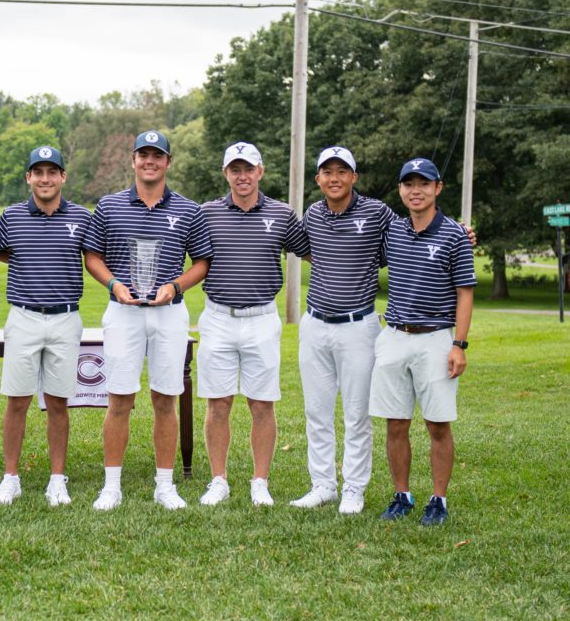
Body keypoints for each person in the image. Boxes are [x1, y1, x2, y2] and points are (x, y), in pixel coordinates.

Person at [290, 146, 475, 515]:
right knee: (318, 410)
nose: (335, 178)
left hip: (362, 326)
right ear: (318, 179)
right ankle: (323, 484)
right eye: (328, 172)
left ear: (354, 177)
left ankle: (354, 490)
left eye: (343, 171)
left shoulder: (379, 214)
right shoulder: (312, 214)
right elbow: (308, 249)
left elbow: (426, 222)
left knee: (358, 413)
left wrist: (463, 234)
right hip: (319, 324)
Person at [83, 130, 212, 511]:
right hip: (123, 312)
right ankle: (112, 486)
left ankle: (165, 486)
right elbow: (93, 256)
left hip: (169, 313)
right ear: (133, 160)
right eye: (143, 155)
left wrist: (175, 285)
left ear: (168, 162)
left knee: (165, 398)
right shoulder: (109, 206)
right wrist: (113, 284)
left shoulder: (189, 210)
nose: (150, 161)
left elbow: (202, 262)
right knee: (119, 398)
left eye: (157, 155)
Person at [196, 142, 310, 507]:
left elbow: (317, 247)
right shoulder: (207, 213)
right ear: (225, 173)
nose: (241, 176)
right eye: (234, 169)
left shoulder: (281, 214)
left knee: (262, 404)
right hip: (217, 317)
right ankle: (219, 480)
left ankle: (260, 481)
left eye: (248, 169)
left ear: (260, 171)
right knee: (218, 403)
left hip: (261, 318)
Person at [0, 146, 91, 506]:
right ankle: (11, 477)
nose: (45, 179)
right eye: (37, 172)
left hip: (65, 317)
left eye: (51, 172)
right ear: (28, 177)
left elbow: (97, 257)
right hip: (24, 316)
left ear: (62, 177)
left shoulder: (81, 218)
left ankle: (57, 478)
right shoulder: (11, 217)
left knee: (58, 403)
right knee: (17, 401)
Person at [370, 158, 475, 526]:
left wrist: (459, 345)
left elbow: (465, 292)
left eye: (424, 184)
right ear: (400, 189)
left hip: (436, 339)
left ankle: (439, 500)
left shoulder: (454, 235)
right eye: (408, 184)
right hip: (395, 336)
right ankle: (402, 495)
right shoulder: (393, 232)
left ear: (438, 188)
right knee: (395, 423)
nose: (416, 191)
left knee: (437, 424)